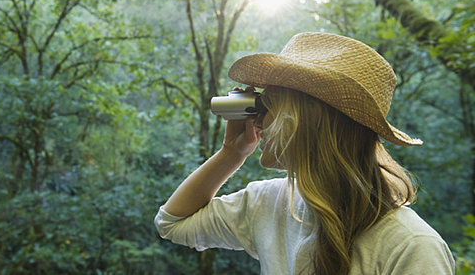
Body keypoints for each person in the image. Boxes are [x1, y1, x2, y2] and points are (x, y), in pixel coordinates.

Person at [154, 32, 455, 275]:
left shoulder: (411, 247)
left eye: (267, 106)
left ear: (310, 119)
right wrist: (230, 153)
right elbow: (173, 224)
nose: (255, 121)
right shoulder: (270, 202)